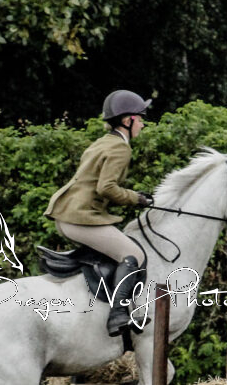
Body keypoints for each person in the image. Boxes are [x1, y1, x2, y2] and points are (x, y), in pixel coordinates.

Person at [44, 90, 154, 335]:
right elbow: (106, 188)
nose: (143, 123)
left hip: (68, 214)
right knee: (133, 254)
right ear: (127, 121)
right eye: (140, 118)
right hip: (80, 218)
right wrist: (135, 198)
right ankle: (117, 315)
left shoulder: (104, 142)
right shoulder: (120, 148)